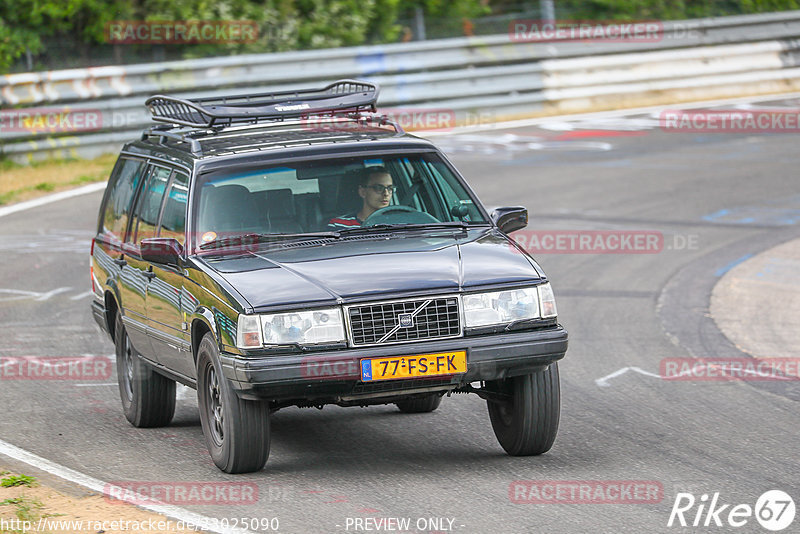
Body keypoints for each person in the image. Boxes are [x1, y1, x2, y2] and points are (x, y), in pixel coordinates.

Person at [328, 166, 396, 229]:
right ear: (362, 192)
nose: (386, 193)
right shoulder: (338, 225)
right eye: (379, 188)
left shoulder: (399, 223)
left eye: (390, 188)